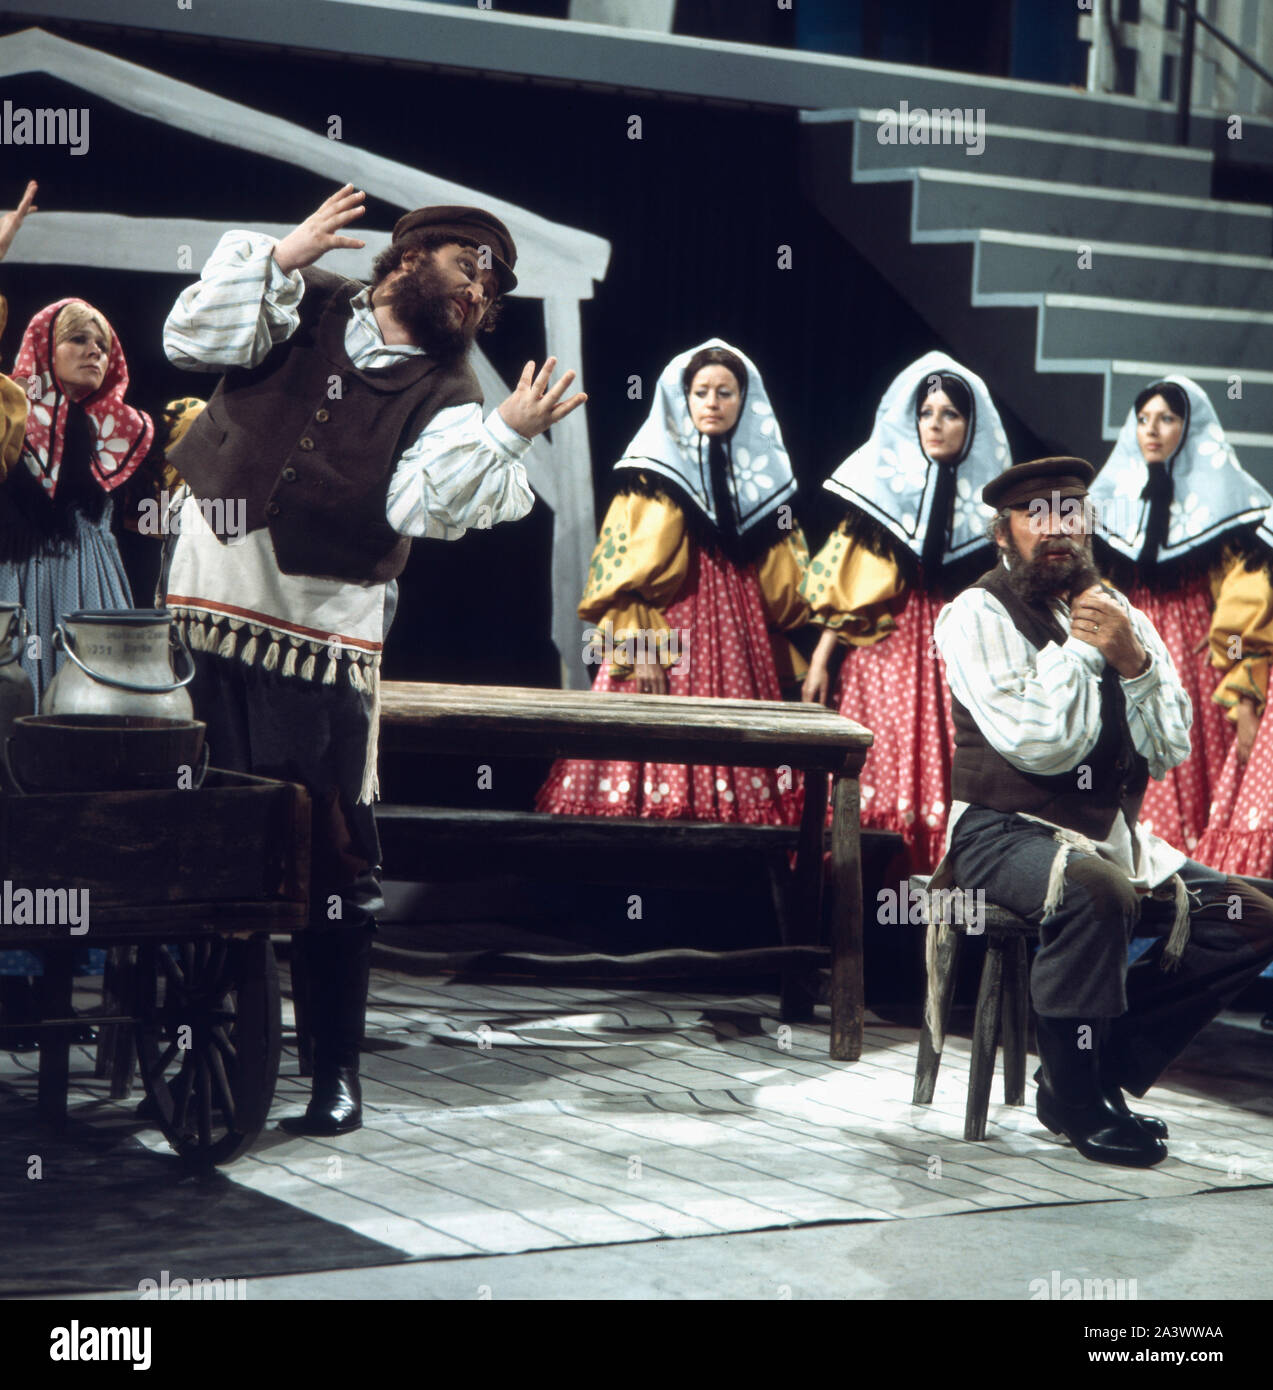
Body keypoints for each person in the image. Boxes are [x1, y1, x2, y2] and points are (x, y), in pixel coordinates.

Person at [162, 184, 585, 1135]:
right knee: (191, 832)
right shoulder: (298, 304)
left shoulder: (454, 391)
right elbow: (191, 342)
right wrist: (277, 258)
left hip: (316, 638)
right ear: (412, 255)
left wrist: (507, 433)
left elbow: (417, 509)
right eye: (471, 268)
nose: (482, 294)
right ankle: (186, 1028)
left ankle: (332, 1074)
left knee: (330, 852)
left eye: (496, 289)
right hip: (203, 610)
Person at [932, 457, 1273, 1168]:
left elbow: (1170, 744)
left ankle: (1083, 1070)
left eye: (1070, 512)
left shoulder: (1122, 611)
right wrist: (1089, 653)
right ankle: (1081, 1101)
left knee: (1253, 917)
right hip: (1000, 830)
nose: (1056, 528)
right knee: (1096, 893)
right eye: (1036, 514)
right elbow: (1038, 743)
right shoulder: (975, 613)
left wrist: (1135, 663)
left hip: (1104, 834)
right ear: (1004, 532)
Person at [535, 339, 811, 824]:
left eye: (726, 392)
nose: (712, 402)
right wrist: (641, 650)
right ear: (682, 398)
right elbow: (622, 580)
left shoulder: (759, 485)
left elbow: (787, 588)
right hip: (668, 634)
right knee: (645, 756)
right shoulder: (652, 475)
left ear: (745, 402)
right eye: (701, 391)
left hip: (738, 641)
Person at [800, 351, 1010, 871]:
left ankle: (950, 882)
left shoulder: (995, 513)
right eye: (926, 413)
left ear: (972, 424)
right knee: (882, 762)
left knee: (952, 760)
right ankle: (865, 892)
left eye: (950, 414)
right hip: (887, 651)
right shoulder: (880, 496)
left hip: (958, 649)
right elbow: (849, 584)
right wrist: (823, 658)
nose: (936, 425)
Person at [1088, 377, 1273, 862]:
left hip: (1192, 659)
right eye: (1144, 419)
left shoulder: (1230, 510)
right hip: (1128, 649)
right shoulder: (1109, 509)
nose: (1153, 430)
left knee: (1188, 762)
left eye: (1167, 419)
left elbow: (1244, 603)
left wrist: (1243, 690)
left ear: (1189, 429)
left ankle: (1187, 894)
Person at [0, 180, 154, 704]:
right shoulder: (7, 412)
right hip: (15, 582)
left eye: (103, 345)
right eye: (78, 339)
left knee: (95, 713)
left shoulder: (119, 433)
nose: (95, 352)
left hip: (93, 587)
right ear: (45, 347)